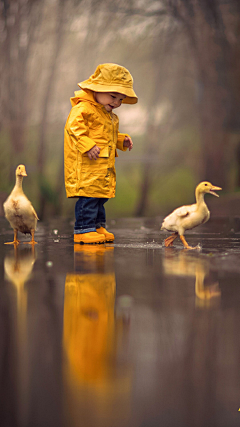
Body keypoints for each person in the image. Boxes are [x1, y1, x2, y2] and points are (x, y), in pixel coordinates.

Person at [64, 63, 138, 244]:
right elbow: (73, 128)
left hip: (102, 166)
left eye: (120, 99)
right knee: (88, 197)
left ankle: (98, 227)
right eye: (113, 96)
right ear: (96, 89)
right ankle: (83, 229)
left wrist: (121, 140)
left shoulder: (110, 115)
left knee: (99, 199)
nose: (116, 102)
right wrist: (88, 145)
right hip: (87, 166)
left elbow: (107, 136)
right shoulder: (83, 109)